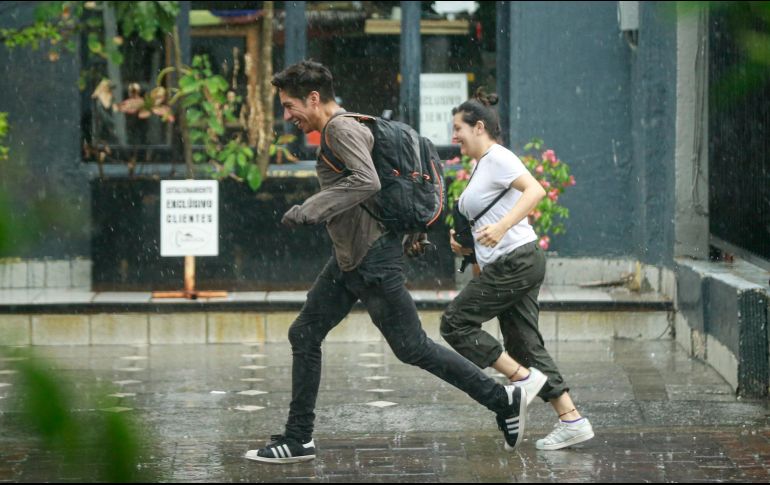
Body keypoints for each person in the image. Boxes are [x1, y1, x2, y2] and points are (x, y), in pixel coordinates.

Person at [244, 61, 531, 464]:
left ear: (313, 98)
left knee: (413, 347)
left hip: (371, 260)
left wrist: (311, 208)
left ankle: (502, 398)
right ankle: (298, 438)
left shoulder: (340, 129)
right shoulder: (344, 128)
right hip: (351, 257)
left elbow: (367, 182)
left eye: (291, 106)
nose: (287, 115)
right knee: (305, 334)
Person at [441, 89, 595, 451]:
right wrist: (469, 246)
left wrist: (501, 227)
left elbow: (535, 190)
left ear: (479, 127)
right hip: (512, 262)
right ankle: (572, 419)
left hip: (517, 260)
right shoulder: (482, 166)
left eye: (458, 128)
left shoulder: (498, 157)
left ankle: (522, 380)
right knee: (524, 344)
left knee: (455, 322)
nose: (453, 137)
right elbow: (489, 216)